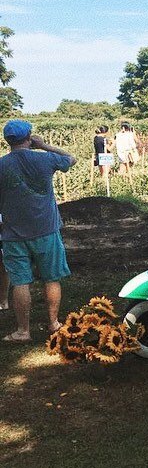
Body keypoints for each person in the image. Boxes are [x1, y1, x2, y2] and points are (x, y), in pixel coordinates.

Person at [0, 120, 76, 343]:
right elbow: (71, 159)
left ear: (7, 140)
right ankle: (53, 323)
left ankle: (23, 331)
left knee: (20, 281)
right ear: (29, 137)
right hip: (46, 229)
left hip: (13, 233)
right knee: (51, 278)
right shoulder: (44, 158)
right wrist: (44, 146)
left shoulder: (2, 165)